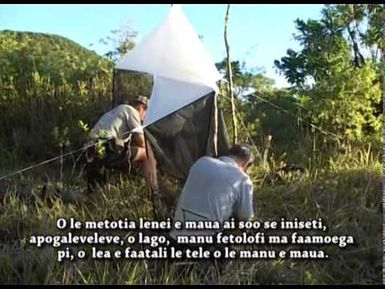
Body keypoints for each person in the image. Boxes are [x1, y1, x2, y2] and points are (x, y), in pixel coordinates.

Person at [169, 144, 255, 242]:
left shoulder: (202, 161)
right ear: (246, 164)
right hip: (205, 242)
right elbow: (246, 217)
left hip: (176, 236)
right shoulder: (242, 179)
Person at [85, 95, 158, 193]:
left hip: (91, 151)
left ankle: (61, 193)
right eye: (146, 113)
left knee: (92, 196)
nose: (144, 118)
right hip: (108, 148)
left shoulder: (117, 111)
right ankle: (153, 190)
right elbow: (141, 142)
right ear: (141, 107)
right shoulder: (132, 111)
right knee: (146, 154)